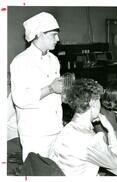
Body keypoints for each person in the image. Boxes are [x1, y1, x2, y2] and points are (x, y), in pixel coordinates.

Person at [10, 12, 64, 161]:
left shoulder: (53, 59)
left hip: (56, 129)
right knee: (37, 172)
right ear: (40, 34)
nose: (58, 39)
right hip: (35, 133)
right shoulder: (21, 62)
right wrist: (51, 88)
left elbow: (56, 93)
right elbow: (19, 99)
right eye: (54, 35)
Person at [49, 79, 117, 176]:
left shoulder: (66, 129)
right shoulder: (90, 139)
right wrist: (110, 130)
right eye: (99, 101)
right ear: (92, 102)